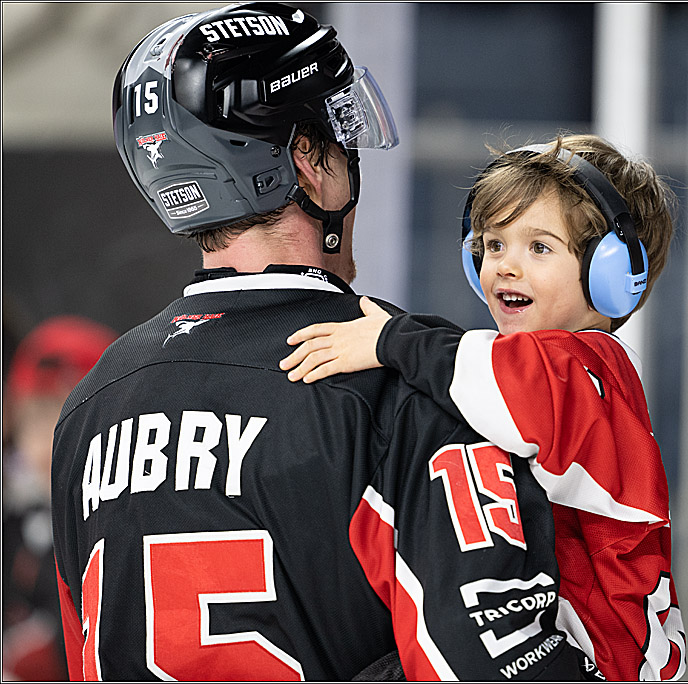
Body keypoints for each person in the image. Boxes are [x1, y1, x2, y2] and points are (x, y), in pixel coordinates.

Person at [50, 4, 579, 680]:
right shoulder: (410, 372)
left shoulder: (91, 404)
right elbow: (488, 666)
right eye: (337, 136)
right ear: (305, 162)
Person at [279, 134, 687, 680]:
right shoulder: (583, 370)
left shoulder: (583, 368)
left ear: (612, 274)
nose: (504, 267)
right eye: (493, 245)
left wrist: (389, 341)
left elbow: (499, 380)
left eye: (539, 248)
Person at [3, 316, 118, 681]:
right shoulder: (16, 517)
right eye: (32, 420)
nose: (41, 444)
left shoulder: (113, 517)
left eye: (58, 418)